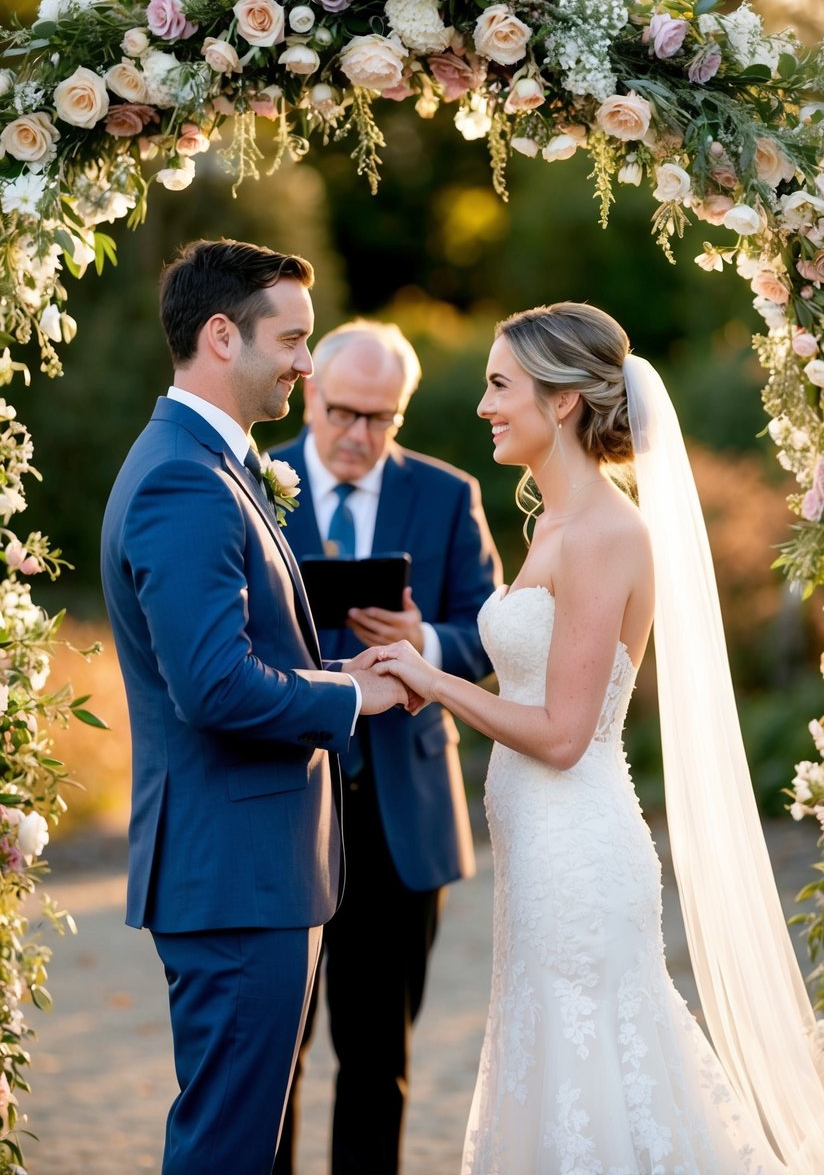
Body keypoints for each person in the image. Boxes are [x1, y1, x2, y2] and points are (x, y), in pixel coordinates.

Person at [371, 302, 824, 1173]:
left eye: (500, 385)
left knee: (597, 1070)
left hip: (578, 853)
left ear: (563, 401)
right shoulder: (550, 523)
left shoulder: (604, 534)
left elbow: (562, 734)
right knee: (559, 1066)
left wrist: (434, 682)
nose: (483, 407)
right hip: (541, 855)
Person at [100, 240, 414, 1175]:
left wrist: (338, 663)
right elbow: (214, 687)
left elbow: (244, 654)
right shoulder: (181, 479)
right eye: (293, 339)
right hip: (234, 878)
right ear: (222, 335)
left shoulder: (210, 463)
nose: (306, 364)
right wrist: (348, 694)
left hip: (246, 871)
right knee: (227, 1150)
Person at [268, 319, 501, 1175]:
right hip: (283, 806)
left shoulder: (446, 495)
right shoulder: (251, 485)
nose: (360, 435)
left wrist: (426, 643)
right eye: (343, 413)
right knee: (271, 1060)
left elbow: (493, 633)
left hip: (401, 817)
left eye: (381, 417)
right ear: (309, 394)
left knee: (379, 1061)